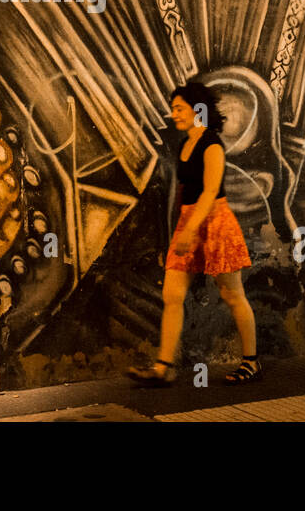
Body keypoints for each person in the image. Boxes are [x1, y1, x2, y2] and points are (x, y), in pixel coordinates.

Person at [127, 80, 261, 387]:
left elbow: (211, 190)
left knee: (232, 294)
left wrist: (190, 229)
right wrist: (179, 230)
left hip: (214, 220)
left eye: (179, 108)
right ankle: (164, 367)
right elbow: (183, 193)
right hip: (188, 223)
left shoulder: (211, 144)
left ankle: (251, 362)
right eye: (173, 108)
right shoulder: (184, 144)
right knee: (172, 294)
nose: (173, 114)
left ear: (196, 109)